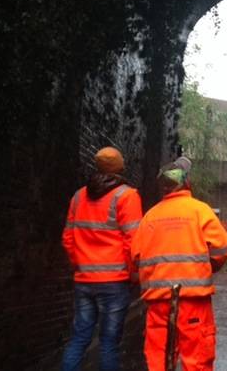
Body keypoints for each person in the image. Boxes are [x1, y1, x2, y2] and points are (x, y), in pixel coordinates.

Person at [131, 156, 227, 371]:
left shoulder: (149, 217)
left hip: (158, 304)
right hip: (193, 303)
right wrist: (207, 267)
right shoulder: (200, 211)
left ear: (164, 187)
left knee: (158, 361)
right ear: (186, 183)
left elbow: (137, 258)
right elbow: (222, 248)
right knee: (196, 361)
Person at [61, 146, 143, 371]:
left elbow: (68, 238)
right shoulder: (127, 196)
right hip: (114, 282)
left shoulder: (78, 196)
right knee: (108, 343)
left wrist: (79, 265)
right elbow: (134, 242)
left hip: (84, 280)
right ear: (120, 168)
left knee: (79, 339)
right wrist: (134, 273)